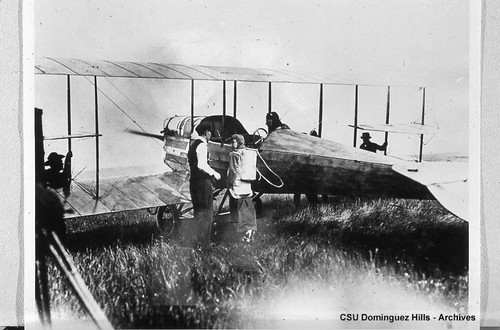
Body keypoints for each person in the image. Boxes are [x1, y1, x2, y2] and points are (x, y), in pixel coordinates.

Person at [187, 123, 221, 245]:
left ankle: (199, 241)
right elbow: (202, 165)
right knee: (206, 213)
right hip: (202, 183)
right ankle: (204, 243)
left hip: (194, 182)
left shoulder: (193, 145)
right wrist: (214, 174)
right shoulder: (202, 146)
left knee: (198, 212)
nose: (210, 135)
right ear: (206, 132)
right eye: (210, 132)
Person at [227, 134, 257, 243]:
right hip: (247, 188)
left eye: (233, 142)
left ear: (238, 142)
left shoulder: (234, 155)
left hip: (237, 187)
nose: (231, 144)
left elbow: (233, 172)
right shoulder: (248, 153)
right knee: (247, 211)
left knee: (237, 211)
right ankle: (249, 233)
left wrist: (230, 185)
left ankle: (240, 237)